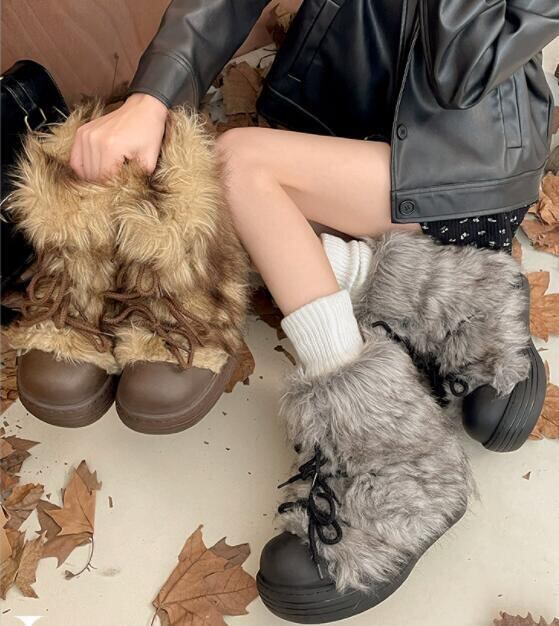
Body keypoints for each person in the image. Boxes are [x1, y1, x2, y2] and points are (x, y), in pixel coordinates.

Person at [66, 0, 559, 621]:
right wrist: (152, 96)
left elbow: (464, 62)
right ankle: (452, 300)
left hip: (464, 163)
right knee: (223, 192)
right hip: (331, 117)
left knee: (239, 164)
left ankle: (394, 457)